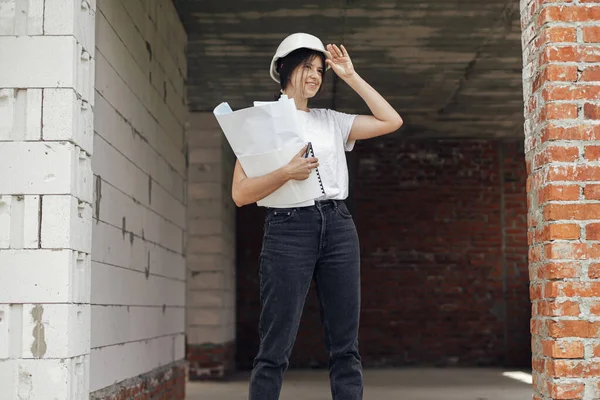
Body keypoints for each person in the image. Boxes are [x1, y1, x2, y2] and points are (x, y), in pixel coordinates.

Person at [231, 32, 403, 400]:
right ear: (284, 69)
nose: (314, 76)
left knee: (345, 343)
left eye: (320, 70)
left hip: (338, 226)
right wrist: (284, 174)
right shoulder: (259, 121)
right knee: (275, 344)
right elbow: (241, 194)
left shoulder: (332, 121)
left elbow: (391, 120)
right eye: (307, 67)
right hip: (288, 228)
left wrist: (351, 76)